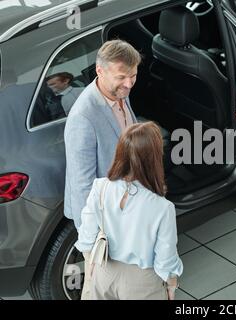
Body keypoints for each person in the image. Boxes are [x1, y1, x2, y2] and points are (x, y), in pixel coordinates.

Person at [64, 39, 141, 299]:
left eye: (133, 75)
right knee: (100, 289)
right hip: (103, 222)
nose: (129, 84)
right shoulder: (83, 117)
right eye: (122, 77)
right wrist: (96, 235)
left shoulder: (118, 93)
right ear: (100, 71)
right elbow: (82, 184)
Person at [75, 122, 183, 300]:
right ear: (154, 158)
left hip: (104, 272)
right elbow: (166, 258)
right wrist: (171, 285)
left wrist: (92, 267)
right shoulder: (162, 207)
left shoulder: (100, 187)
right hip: (142, 283)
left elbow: (87, 236)